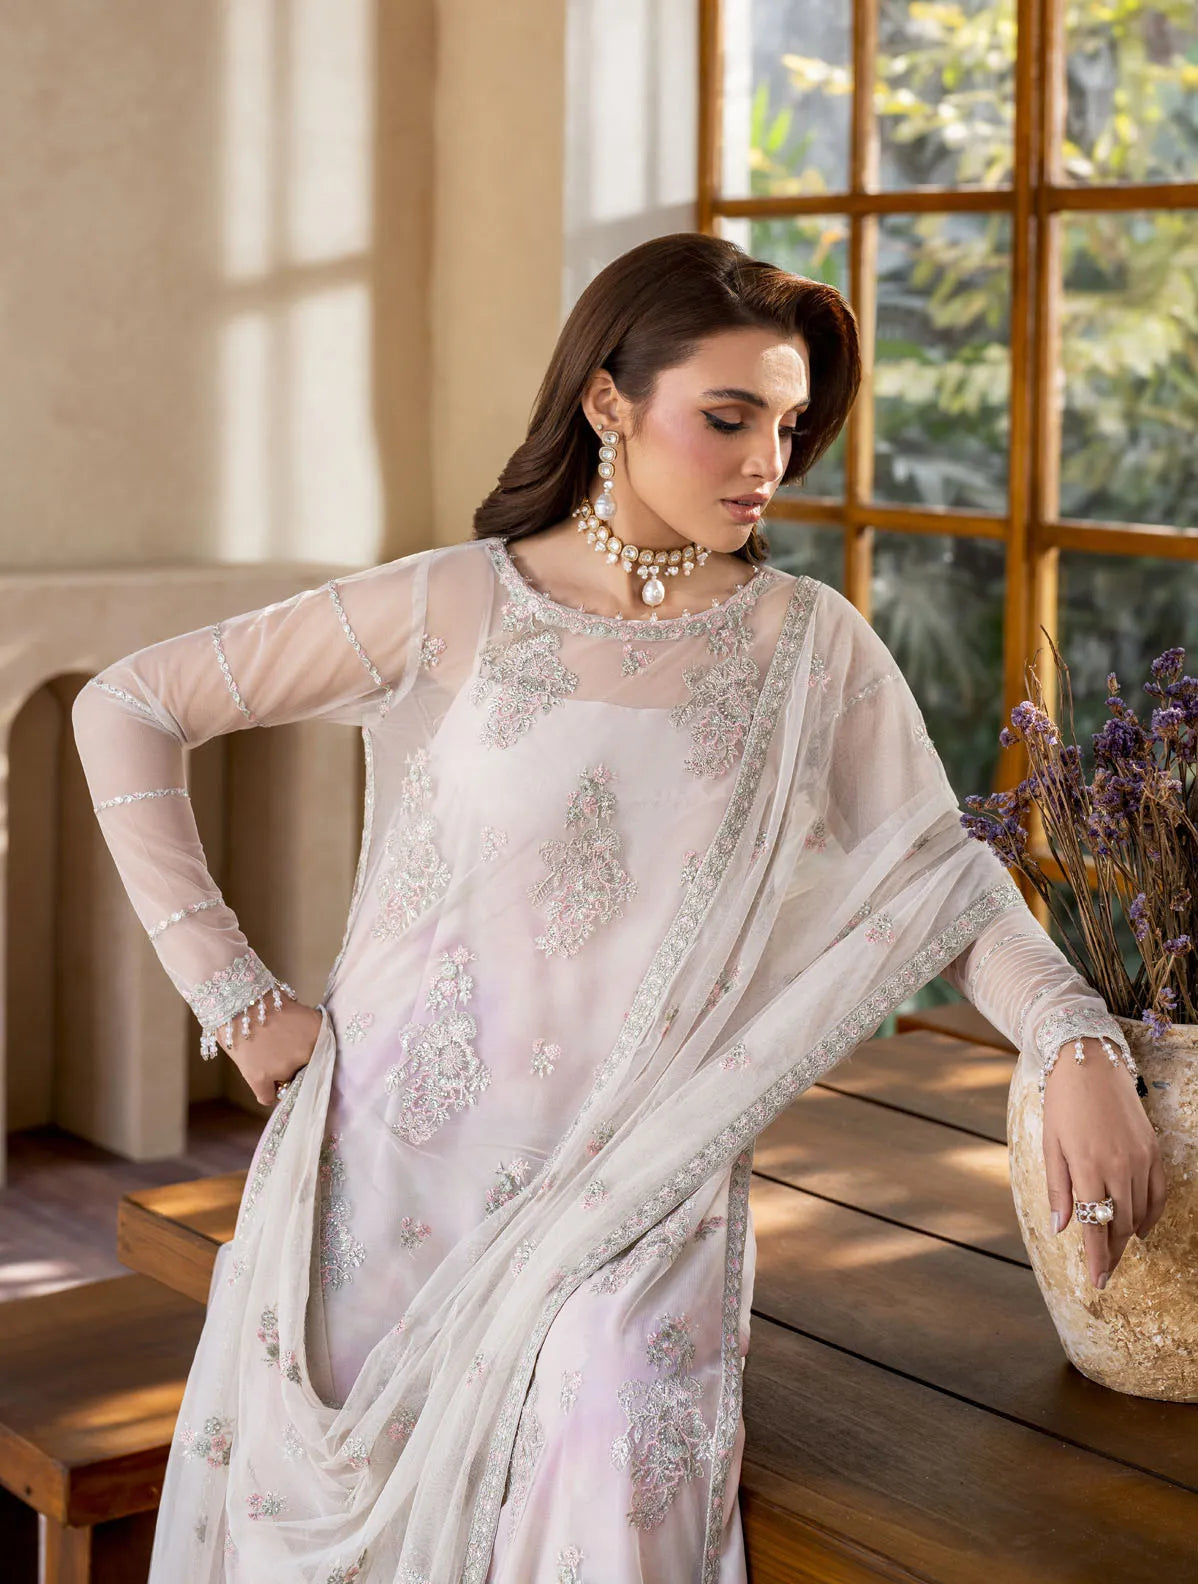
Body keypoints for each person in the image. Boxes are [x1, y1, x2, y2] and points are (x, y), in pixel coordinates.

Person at [72, 232, 1163, 1584]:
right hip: (387, 1168)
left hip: (634, 1191)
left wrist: (1074, 1037)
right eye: (729, 417)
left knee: (611, 1416)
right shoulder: (454, 601)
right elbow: (126, 706)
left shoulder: (806, 648)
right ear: (608, 401)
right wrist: (235, 997)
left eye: (788, 425)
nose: (768, 462)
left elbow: (940, 875)